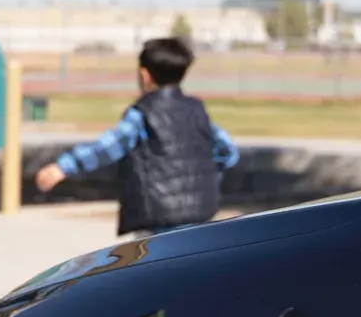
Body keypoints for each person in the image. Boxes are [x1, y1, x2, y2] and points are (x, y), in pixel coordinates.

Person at [35, 37, 239, 237]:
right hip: (200, 215)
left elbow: (110, 146)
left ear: (144, 75)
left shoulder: (142, 113)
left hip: (157, 217)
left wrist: (64, 166)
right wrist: (201, 173)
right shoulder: (197, 110)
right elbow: (228, 152)